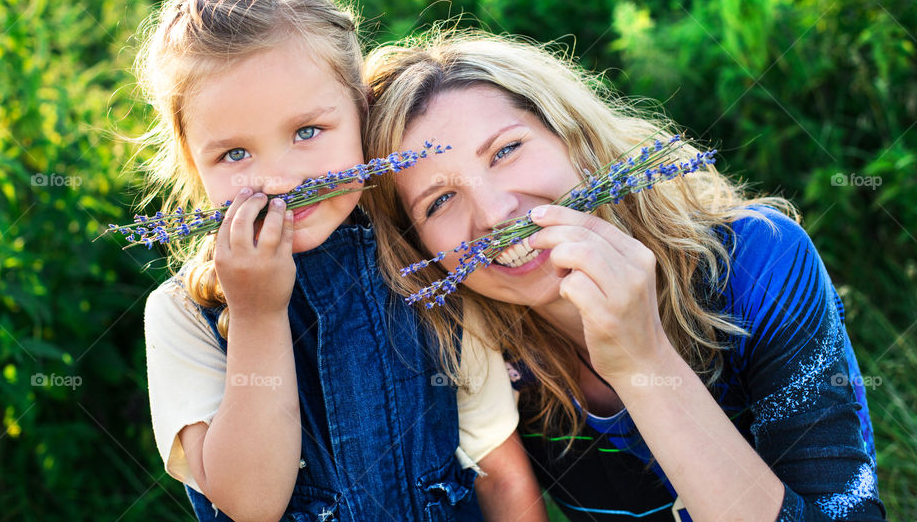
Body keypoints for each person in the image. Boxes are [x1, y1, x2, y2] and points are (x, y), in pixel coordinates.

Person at [360, 30, 885, 521]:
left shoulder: (756, 263)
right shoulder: (479, 356)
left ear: (576, 137)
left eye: (506, 150)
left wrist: (642, 358)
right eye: (441, 200)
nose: (495, 213)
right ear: (418, 246)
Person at [131, 0, 546, 521]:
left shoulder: (426, 271)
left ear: (360, 113)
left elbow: (503, 477)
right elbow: (250, 503)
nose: (279, 180)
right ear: (191, 163)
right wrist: (256, 314)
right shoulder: (184, 315)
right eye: (234, 154)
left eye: (307, 132)